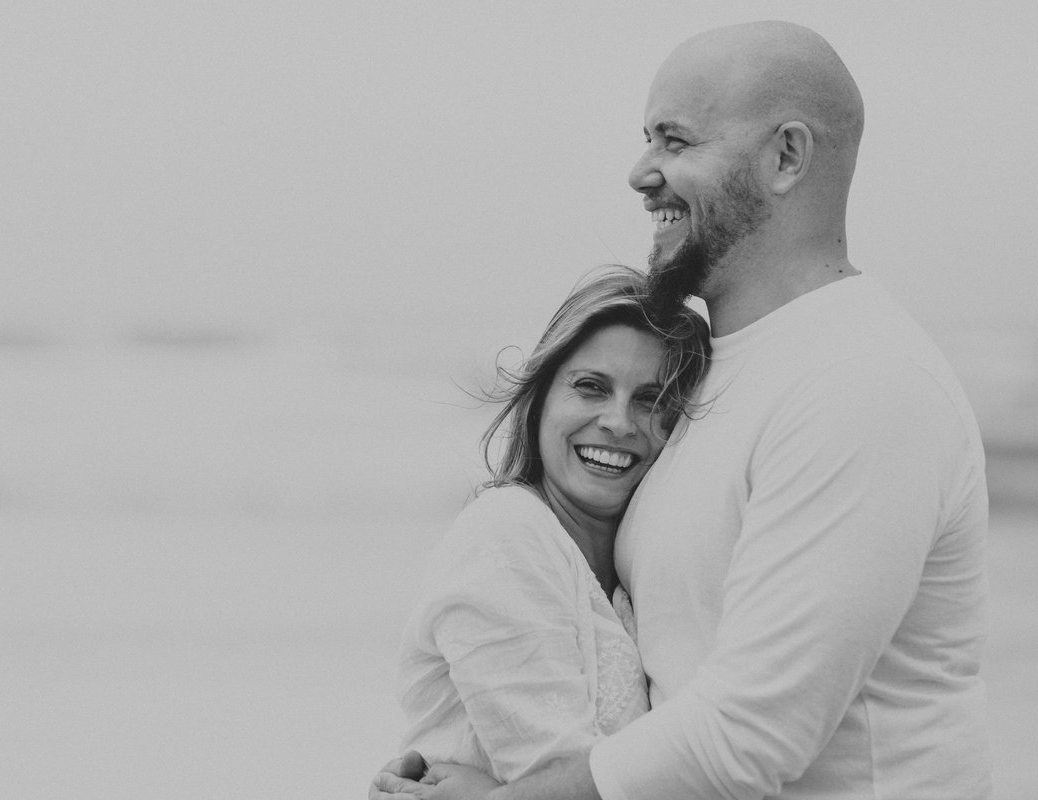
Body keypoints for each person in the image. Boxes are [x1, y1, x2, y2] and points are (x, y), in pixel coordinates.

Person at [373, 20, 990, 800]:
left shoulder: (862, 382)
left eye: (676, 140)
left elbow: (749, 735)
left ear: (786, 157)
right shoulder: (713, 374)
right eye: (647, 140)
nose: (641, 172)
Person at [396, 265, 709, 783]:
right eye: (591, 388)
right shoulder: (505, 537)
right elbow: (558, 778)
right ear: (540, 399)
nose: (619, 422)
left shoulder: (637, 569)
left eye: (651, 400)